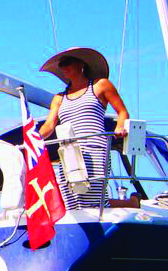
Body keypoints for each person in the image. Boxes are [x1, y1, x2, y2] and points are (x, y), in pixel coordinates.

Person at [35, 48, 129, 207]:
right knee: (73, 202)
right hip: (68, 152)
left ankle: (131, 203)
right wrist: (32, 138)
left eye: (67, 63)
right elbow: (49, 125)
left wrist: (120, 127)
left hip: (95, 150)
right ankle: (131, 203)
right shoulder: (59, 98)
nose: (63, 67)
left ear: (81, 63)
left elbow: (122, 112)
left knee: (94, 198)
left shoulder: (101, 86)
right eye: (61, 65)